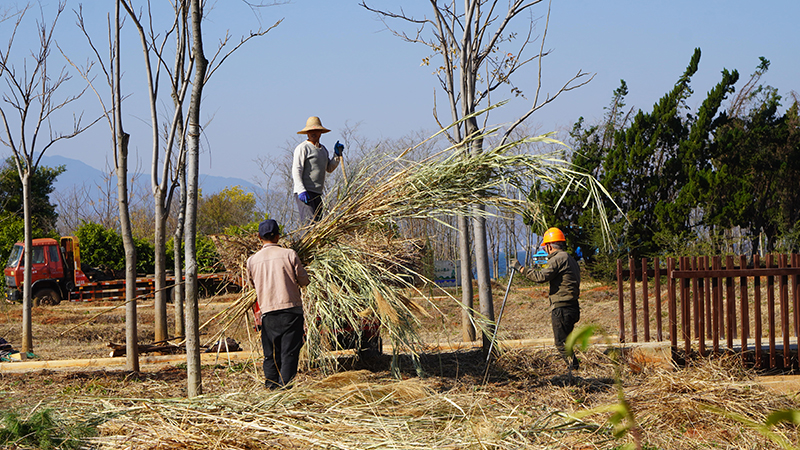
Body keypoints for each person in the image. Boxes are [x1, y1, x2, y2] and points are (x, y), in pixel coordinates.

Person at [247, 219, 310, 389]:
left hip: (268, 312)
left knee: (271, 354)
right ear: (278, 236)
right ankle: (284, 388)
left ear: (259, 237)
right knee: (289, 352)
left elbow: (252, 284)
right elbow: (304, 281)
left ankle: (271, 386)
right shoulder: (290, 254)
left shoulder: (252, 261)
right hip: (291, 311)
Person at [510, 227, 581, 370]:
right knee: (566, 342)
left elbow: (540, 277)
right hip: (572, 307)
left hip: (562, 308)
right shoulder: (570, 259)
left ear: (548, 246)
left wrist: (520, 268)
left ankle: (574, 371)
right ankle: (573, 369)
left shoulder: (558, 259)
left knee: (561, 343)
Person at [291, 116, 344, 224]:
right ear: (307, 133)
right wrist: (301, 190)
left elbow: (329, 168)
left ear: (321, 132)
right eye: (310, 131)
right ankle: (306, 241)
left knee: (318, 224)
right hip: (305, 192)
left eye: (316, 130)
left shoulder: (323, 150)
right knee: (309, 223)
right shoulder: (303, 148)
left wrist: (337, 155)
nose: (313, 133)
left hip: (317, 193)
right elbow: (297, 170)